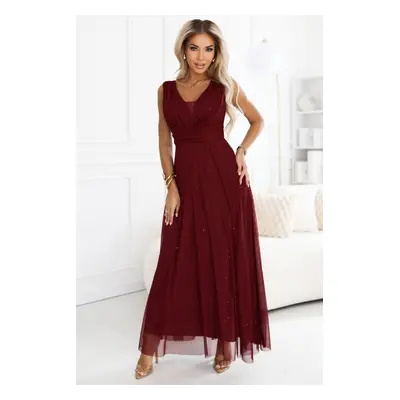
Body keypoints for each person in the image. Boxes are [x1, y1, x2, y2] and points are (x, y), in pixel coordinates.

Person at [135, 19, 271, 379]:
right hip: (185, 185)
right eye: (194, 48)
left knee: (223, 261)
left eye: (208, 49)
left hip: (225, 183)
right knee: (173, 261)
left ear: (216, 52)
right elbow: (164, 142)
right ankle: (149, 348)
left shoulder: (225, 86)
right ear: (183, 49)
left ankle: (225, 343)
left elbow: (257, 121)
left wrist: (241, 150)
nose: (201, 56)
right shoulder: (166, 91)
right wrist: (171, 186)